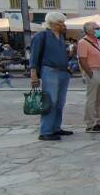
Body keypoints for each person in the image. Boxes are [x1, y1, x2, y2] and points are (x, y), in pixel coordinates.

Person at [30, 12, 72, 141]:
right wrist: (33, 75)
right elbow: (34, 56)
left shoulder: (60, 37)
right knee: (50, 101)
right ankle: (46, 130)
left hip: (63, 71)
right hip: (50, 71)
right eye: (60, 22)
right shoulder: (41, 36)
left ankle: (55, 127)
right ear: (52, 23)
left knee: (60, 102)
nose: (63, 25)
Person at [77, 22, 100, 134]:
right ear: (90, 30)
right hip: (93, 71)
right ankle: (90, 123)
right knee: (91, 99)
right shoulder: (83, 42)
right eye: (96, 28)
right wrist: (89, 73)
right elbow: (82, 59)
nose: (99, 30)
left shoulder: (98, 42)